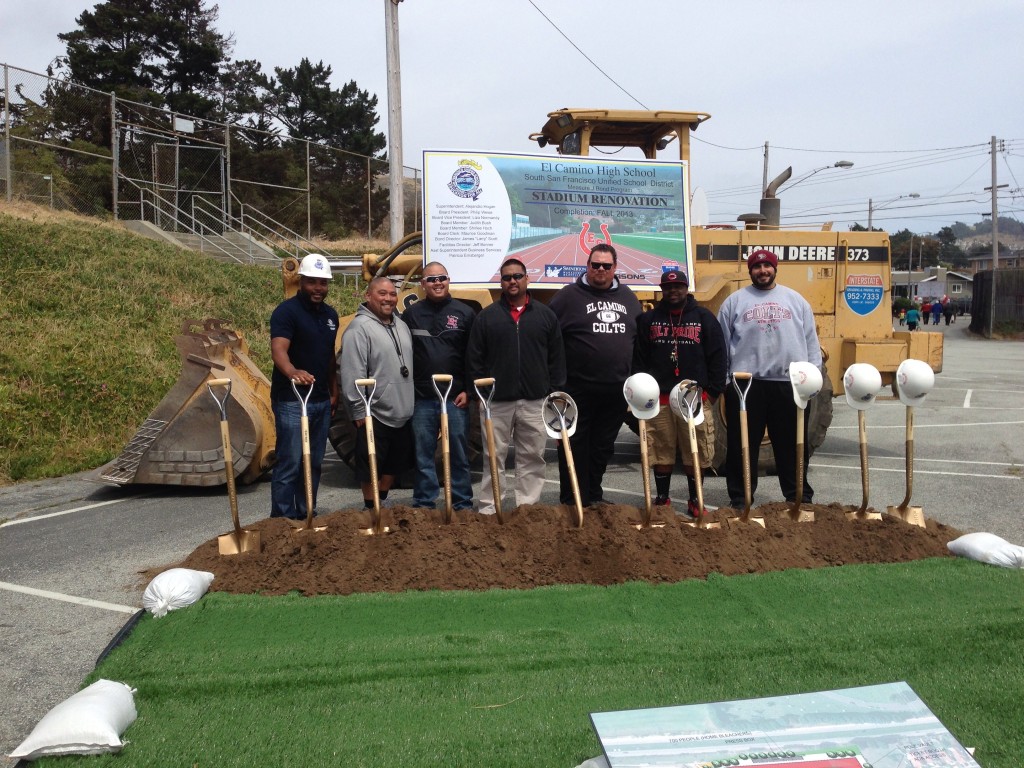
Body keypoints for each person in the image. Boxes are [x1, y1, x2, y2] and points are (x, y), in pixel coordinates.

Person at [717, 249, 822, 508]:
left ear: (775, 268)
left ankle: (798, 496)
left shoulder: (796, 301)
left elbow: (811, 342)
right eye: (756, 267)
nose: (762, 270)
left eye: (767, 266)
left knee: (792, 445)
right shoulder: (734, 302)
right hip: (746, 385)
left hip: (789, 384)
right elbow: (721, 344)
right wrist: (726, 382)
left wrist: (812, 379)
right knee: (742, 445)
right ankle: (741, 498)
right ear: (750, 270)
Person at [466, 258, 566, 514]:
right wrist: (482, 394)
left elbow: (557, 358)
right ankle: (490, 508)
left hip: (535, 401)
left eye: (517, 276)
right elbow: (475, 358)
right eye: (507, 277)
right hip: (496, 403)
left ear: (527, 279)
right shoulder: (487, 317)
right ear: (501, 281)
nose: (512, 281)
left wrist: (553, 390)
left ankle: (527, 509)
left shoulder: (545, 316)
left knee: (532, 457)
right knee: (493, 457)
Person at [548, 243, 642, 507]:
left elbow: (638, 340)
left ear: (615, 268)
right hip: (577, 390)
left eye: (606, 266)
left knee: (602, 448)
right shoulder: (567, 297)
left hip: (615, 391)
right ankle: (571, 500)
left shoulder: (628, 297)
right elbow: (550, 339)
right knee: (574, 447)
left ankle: (594, 497)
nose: (600, 269)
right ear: (587, 266)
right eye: (595, 265)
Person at [633, 269, 726, 519]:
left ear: (687, 288)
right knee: (660, 449)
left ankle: (696, 499)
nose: (673, 291)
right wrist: (639, 391)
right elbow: (639, 359)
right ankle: (662, 498)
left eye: (679, 287)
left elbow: (718, 356)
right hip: (659, 398)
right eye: (668, 287)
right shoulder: (649, 320)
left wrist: (713, 392)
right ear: (662, 290)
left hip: (694, 399)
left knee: (695, 450)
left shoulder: (704, 318)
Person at [269, 253, 339, 520]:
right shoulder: (286, 313)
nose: (318, 289)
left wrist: (334, 389)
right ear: (301, 281)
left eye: (323, 283)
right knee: (290, 462)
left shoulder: (330, 315)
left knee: (314, 462)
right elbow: (279, 350)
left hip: (320, 399)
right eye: (312, 283)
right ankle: (282, 520)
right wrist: (293, 372)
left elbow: (329, 356)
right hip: (291, 400)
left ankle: (306, 511)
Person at [403, 261, 476, 512]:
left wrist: (467, 389)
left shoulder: (465, 313)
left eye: (441, 278)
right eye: (431, 279)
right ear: (423, 284)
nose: (437, 283)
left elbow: (472, 356)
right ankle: (424, 502)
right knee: (423, 454)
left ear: (448, 280)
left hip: (455, 398)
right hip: (422, 398)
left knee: (457, 452)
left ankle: (462, 502)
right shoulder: (411, 314)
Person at [339, 276, 415, 509]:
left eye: (392, 294)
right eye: (382, 293)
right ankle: (370, 507)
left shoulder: (400, 325)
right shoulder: (358, 329)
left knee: (394, 463)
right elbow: (352, 371)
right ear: (368, 296)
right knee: (370, 462)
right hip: (374, 412)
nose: (389, 299)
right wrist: (358, 409)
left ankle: (382, 500)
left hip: (402, 410)